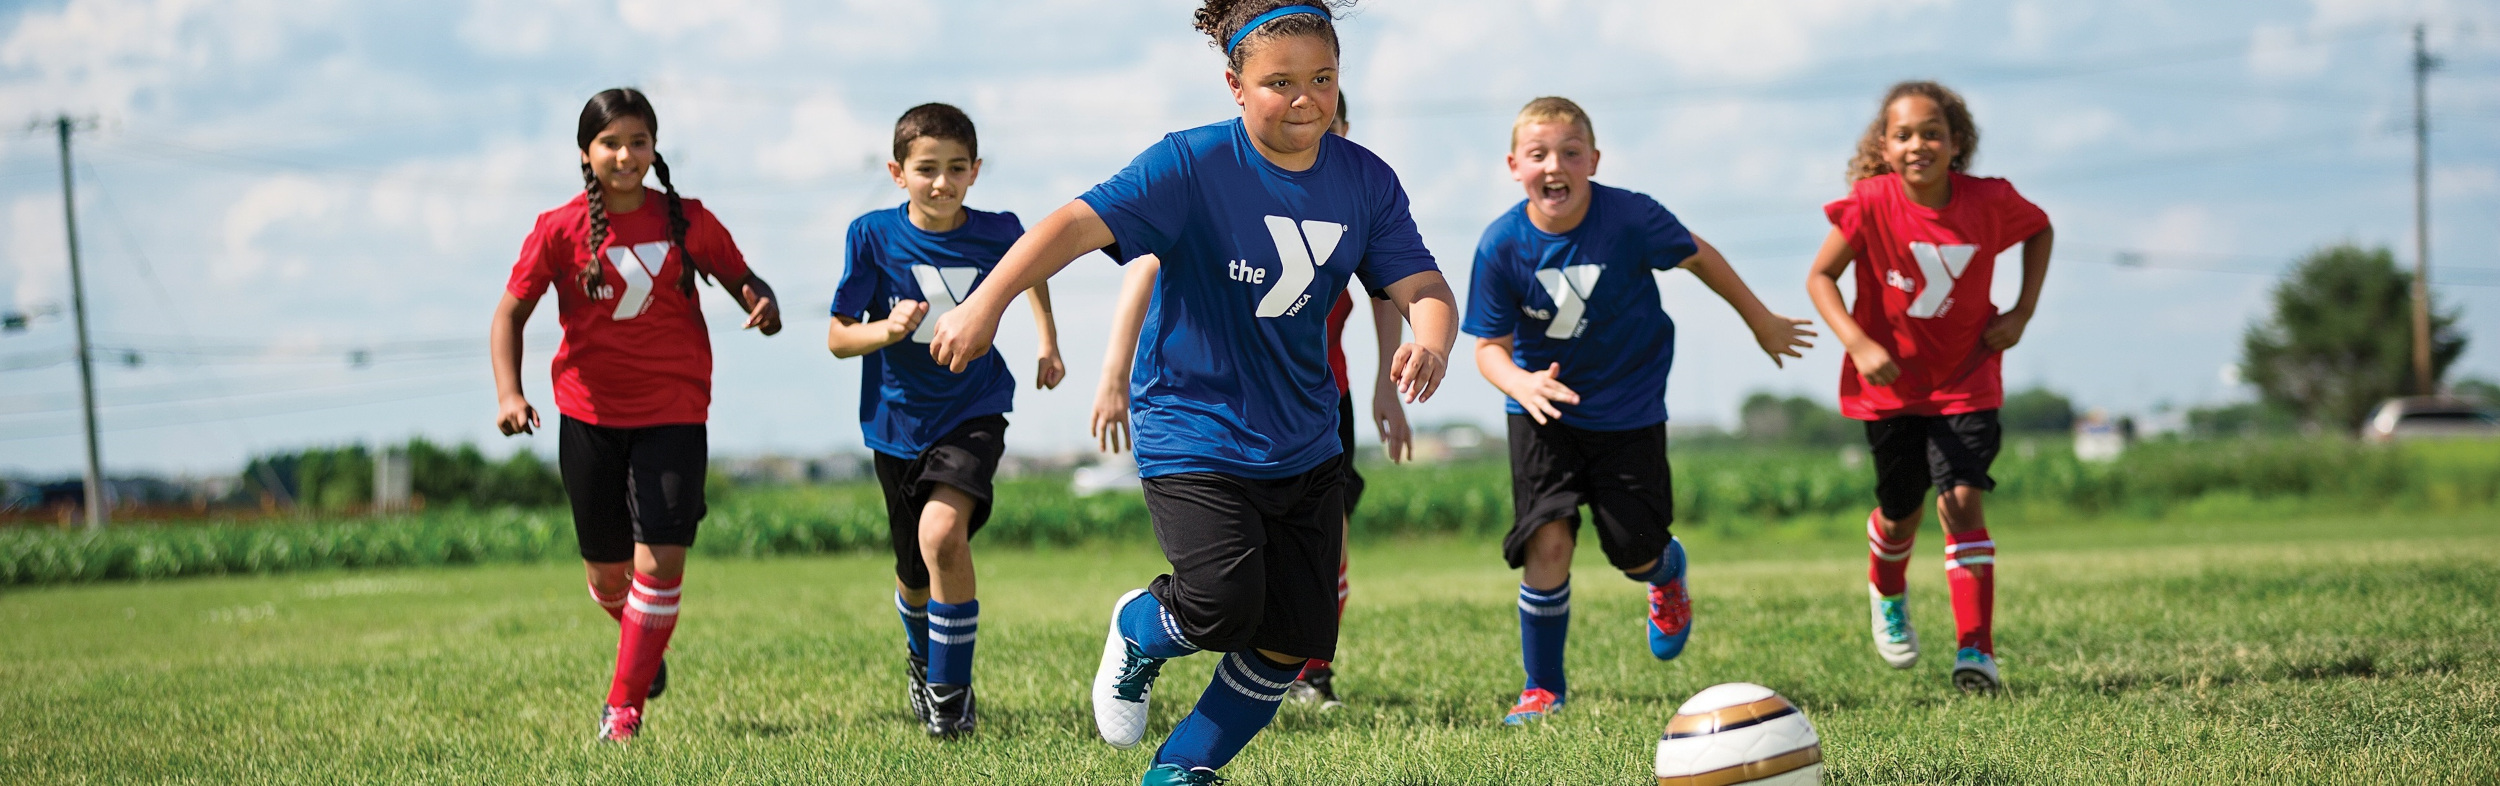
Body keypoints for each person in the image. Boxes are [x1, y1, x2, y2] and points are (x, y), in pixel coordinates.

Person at [927, 2, 1458, 781]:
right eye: (1280, 83)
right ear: (1235, 86)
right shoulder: (1190, 164)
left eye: (1323, 78)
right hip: (1192, 423)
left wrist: (1432, 337)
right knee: (1219, 604)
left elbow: (1422, 282)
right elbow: (1072, 225)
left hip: (1306, 437)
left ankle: (1182, 769)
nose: (1306, 98)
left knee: (1288, 637)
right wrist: (985, 303)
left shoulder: (1367, 180)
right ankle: (1143, 627)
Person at [1463, 96, 1815, 726]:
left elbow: (1698, 253)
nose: (1555, 166)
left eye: (1571, 152)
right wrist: (1519, 383)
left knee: (1632, 551)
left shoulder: (1629, 218)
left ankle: (1665, 571)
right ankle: (1542, 689)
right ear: (1514, 165)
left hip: (1628, 408)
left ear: (1594, 160)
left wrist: (1759, 319)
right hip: (1542, 410)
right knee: (1547, 539)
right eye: (1539, 154)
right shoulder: (1500, 246)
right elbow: (1488, 348)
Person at [1086, 91, 1409, 712]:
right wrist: (1111, 376)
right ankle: (1159, 632)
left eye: (1328, 112)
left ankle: (1310, 671)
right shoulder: (1221, 187)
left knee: (1327, 543)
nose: (1309, 123)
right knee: (1228, 595)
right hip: (1214, 411)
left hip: (1318, 404)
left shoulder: (1357, 195)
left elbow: (1390, 291)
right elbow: (1144, 272)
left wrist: (1384, 386)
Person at [489, 87, 783, 742]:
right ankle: (641, 647)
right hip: (588, 414)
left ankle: (623, 707)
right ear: (586, 152)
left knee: (663, 561)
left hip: (675, 408)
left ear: (655, 148)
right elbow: (510, 313)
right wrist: (510, 394)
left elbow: (747, 282)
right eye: (610, 143)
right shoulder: (557, 229)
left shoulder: (691, 221)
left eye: (639, 142)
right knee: (606, 576)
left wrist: (762, 305)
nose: (626, 155)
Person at [1804, 80, 2053, 693]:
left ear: (1956, 142)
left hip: (1968, 380)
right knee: (1901, 513)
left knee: (1962, 501)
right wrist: (1859, 344)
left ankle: (1977, 652)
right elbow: (1820, 277)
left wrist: (2021, 312)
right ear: (1884, 147)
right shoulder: (1870, 204)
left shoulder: (1990, 202)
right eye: (1905, 134)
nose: (1920, 144)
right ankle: (1888, 591)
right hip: (1889, 389)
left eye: (1932, 132)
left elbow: (2041, 230)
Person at [827, 103, 1067, 737]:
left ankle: (951, 698)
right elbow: (836, 337)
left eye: (956, 168)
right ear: (897, 172)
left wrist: (1047, 339)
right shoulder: (870, 234)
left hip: (974, 408)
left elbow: (1033, 270)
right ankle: (923, 657)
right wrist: (886, 329)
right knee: (912, 577)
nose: (941, 182)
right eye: (926, 168)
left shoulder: (999, 230)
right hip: (895, 422)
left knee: (942, 537)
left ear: (975, 171)